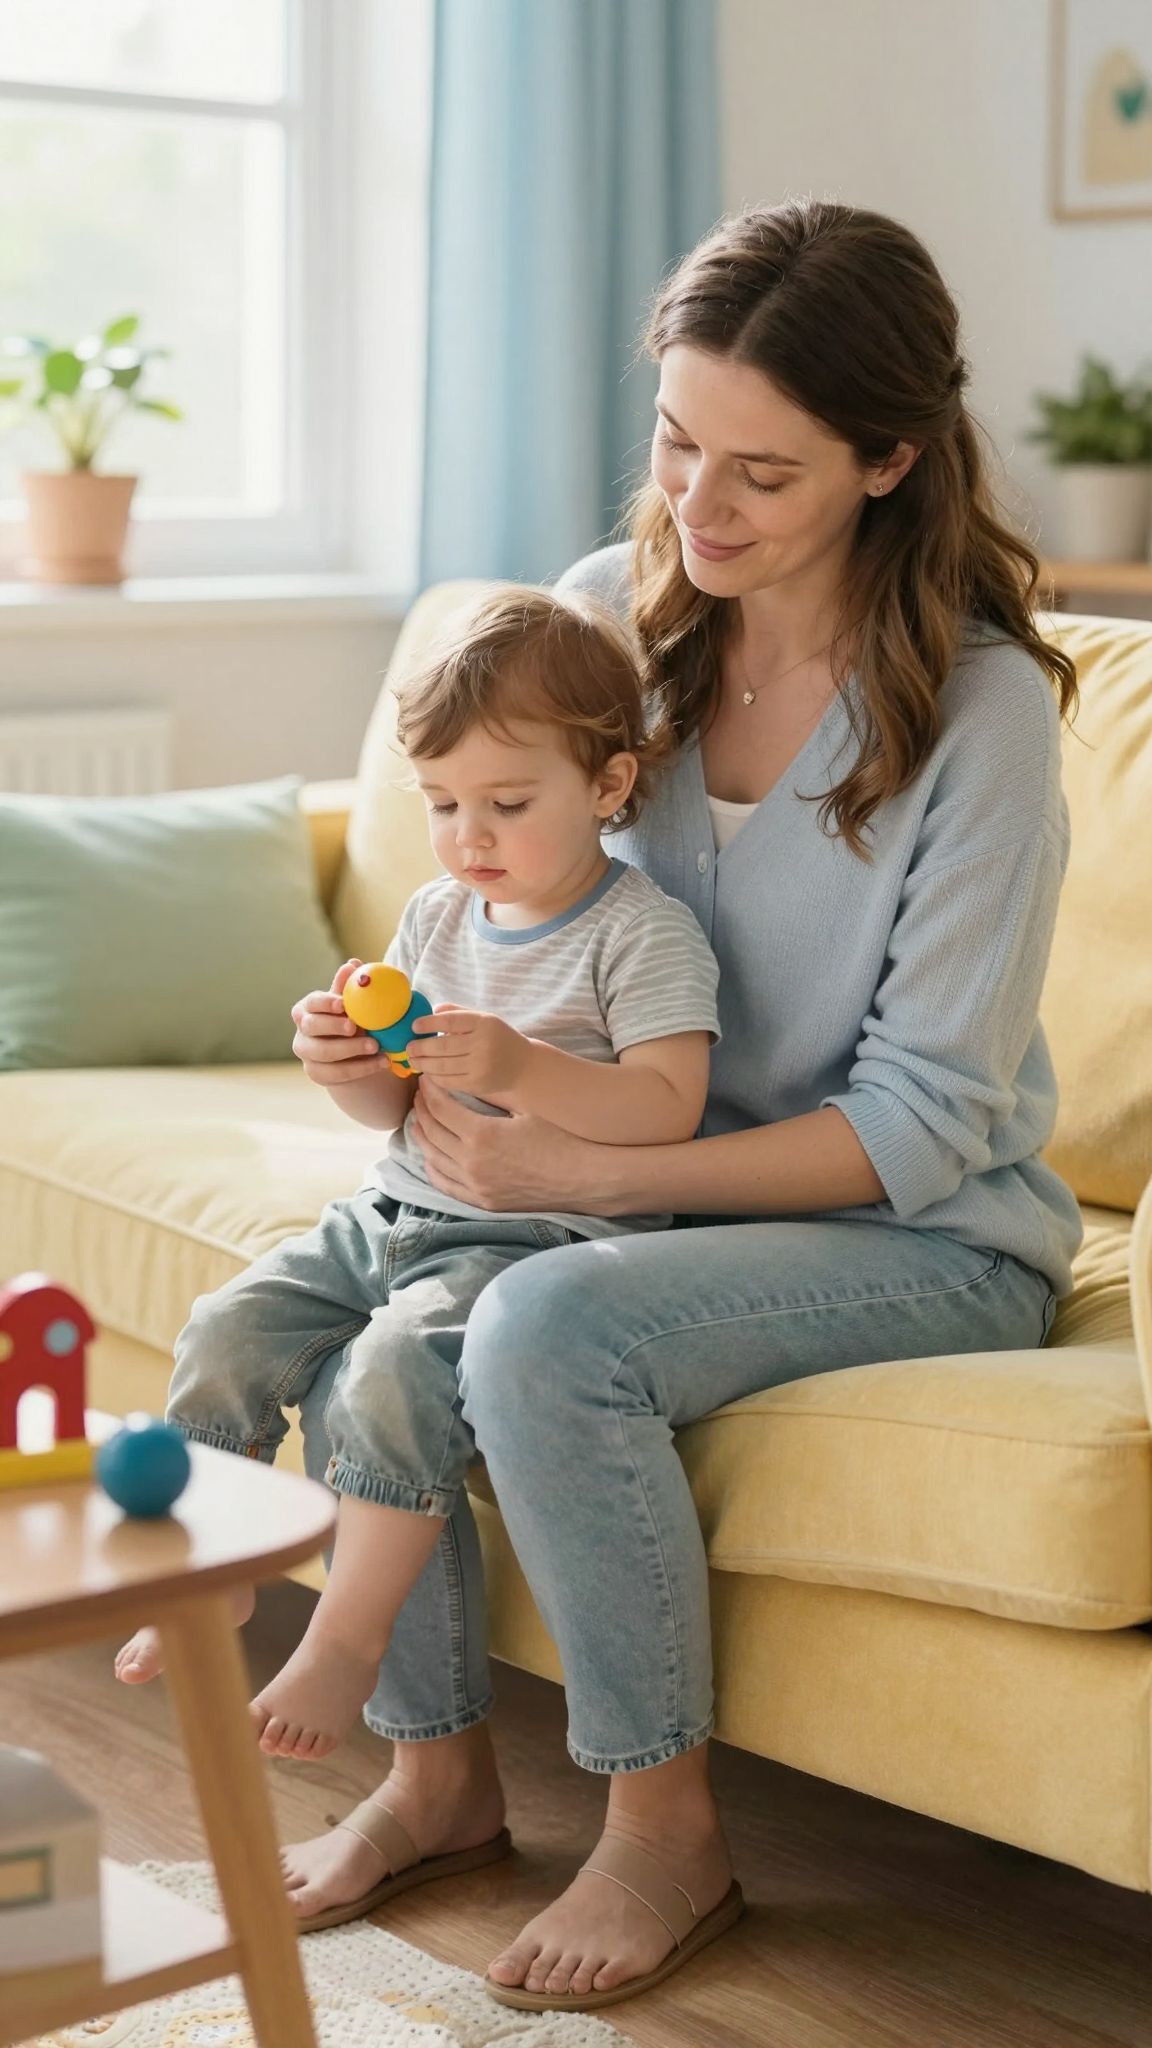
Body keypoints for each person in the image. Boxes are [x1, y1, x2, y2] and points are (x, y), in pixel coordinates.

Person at [262, 198, 1083, 2017]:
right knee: (381, 1297)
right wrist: (385, 1072)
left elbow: (927, 1118)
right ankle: (441, 1774)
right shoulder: (597, 628)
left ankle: (662, 1822)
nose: (699, 508)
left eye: (763, 473)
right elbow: (497, 961)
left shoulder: (980, 713)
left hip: (907, 1226)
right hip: (627, 1189)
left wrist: (585, 1179)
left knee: (543, 1321)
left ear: (888, 457)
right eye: (675, 441)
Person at [112, 586, 721, 1779]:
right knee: (231, 1324)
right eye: (441, 804)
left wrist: (524, 1065)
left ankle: (344, 1636)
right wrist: (344, 1063)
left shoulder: (640, 935)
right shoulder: (441, 914)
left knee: (391, 1372)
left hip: (521, 1243)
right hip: (387, 1211)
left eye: (507, 803)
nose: (469, 836)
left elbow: (669, 1105)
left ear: (607, 786)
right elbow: (397, 1104)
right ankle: (207, 1573)